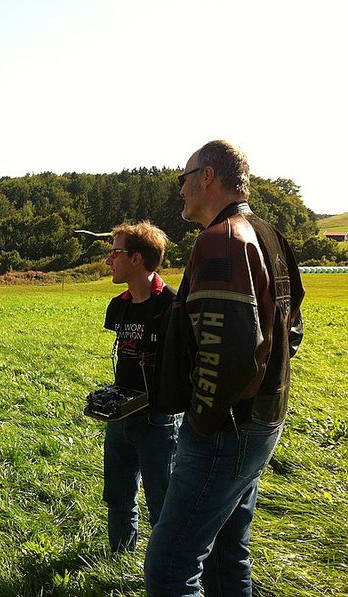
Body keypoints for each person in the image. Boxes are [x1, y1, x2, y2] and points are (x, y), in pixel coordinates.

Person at [144, 140, 305, 596]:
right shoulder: (269, 233)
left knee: (170, 566)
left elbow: (230, 350)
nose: (181, 190)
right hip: (262, 421)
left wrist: (203, 418)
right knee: (225, 555)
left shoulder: (222, 240)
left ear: (208, 177)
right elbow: (292, 328)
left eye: (184, 178)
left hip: (225, 430)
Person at [99, 221, 178, 553]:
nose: (108, 261)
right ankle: (120, 558)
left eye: (114, 252)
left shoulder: (173, 305)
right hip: (120, 416)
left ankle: (164, 574)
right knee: (118, 497)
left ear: (137, 259)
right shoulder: (119, 305)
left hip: (158, 421)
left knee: (162, 506)